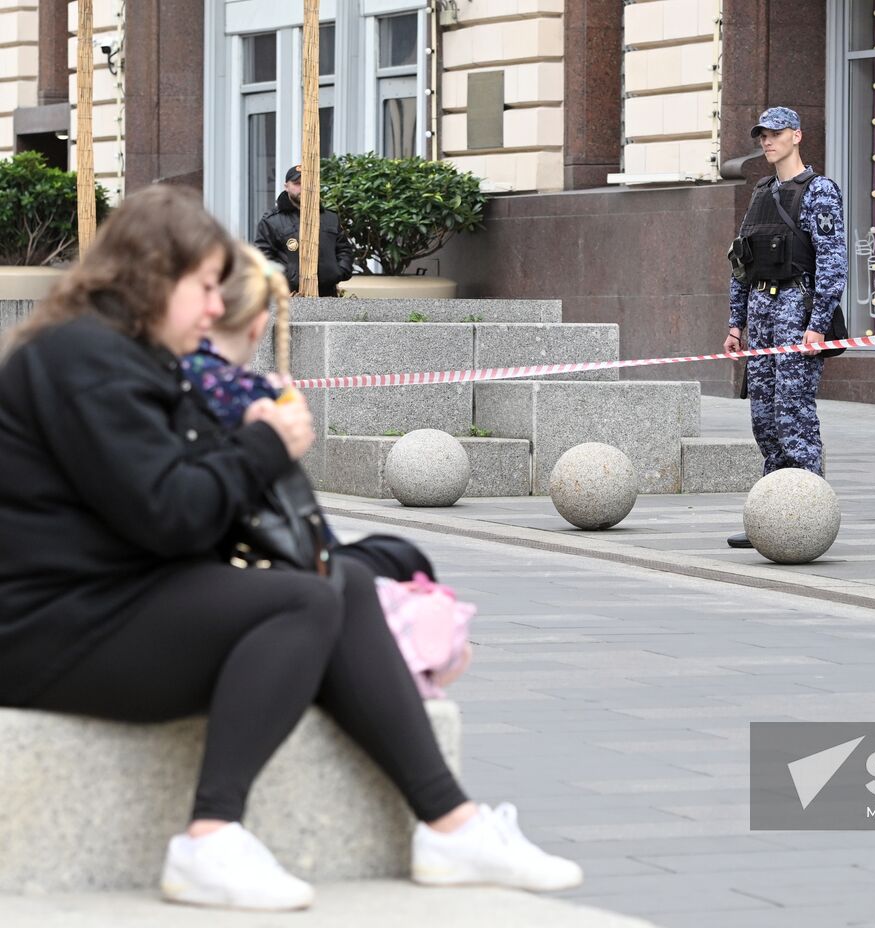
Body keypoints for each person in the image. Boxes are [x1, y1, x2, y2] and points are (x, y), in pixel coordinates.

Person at [0, 186, 582, 911]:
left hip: (103, 603)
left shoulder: (121, 354)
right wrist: (261, 445)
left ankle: (449, 823)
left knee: (345, 583)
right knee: (301, 603)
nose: (218, 307)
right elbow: (169, 515)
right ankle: (210, 837)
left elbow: (173, 503)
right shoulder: (83, 357)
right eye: (206, 287)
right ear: (152, 274)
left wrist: (241, 444)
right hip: (48, 631)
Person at [183, 241, 436, 583]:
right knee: (404, 559)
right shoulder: (252, 395)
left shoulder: (166, 373)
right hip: (257, 554)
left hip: (205, 552)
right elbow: (297, 507)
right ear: (258, 324)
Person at [723, 106, 847, 549]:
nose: (767, 142)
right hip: (761, 313)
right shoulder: (761, 192)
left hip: (798, 310)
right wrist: (736, 324)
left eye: (775, 134)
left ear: (797, 135)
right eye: (762, 135)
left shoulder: (819, 191)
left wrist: (817, 326)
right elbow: (741, 263)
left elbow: (833, 263)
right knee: (765, 419)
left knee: (794, 417)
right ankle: (772, 515)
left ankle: (805, 514)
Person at [254, 164, 354, 297]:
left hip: (327, 295)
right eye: (297, 183)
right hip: (288, 296)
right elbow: (262, 258)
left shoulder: (330, 218)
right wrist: (285, 279)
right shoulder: (271, 221)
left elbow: (344, 250)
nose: (303, 187)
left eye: (306, 183)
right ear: (286, 186)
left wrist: (338, 272)